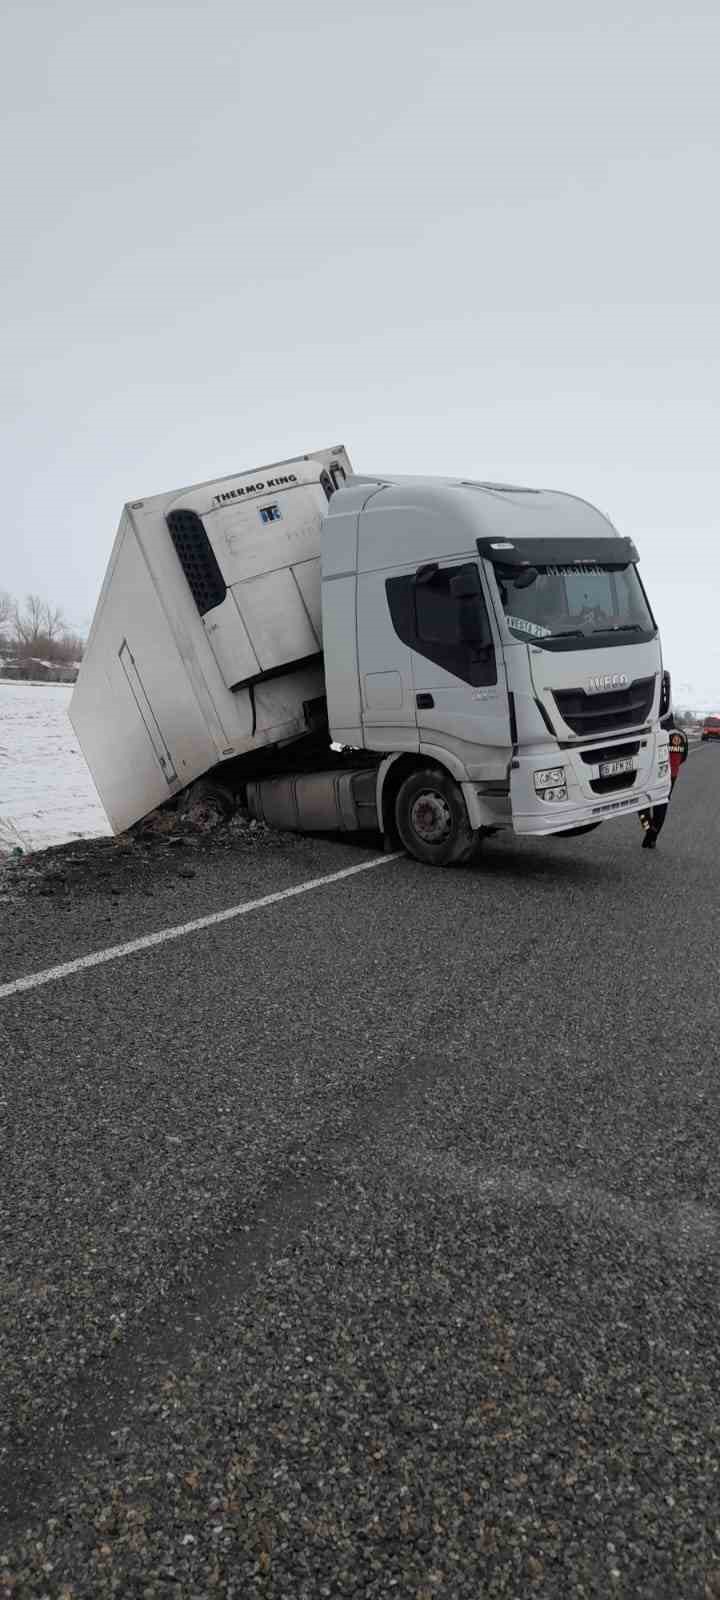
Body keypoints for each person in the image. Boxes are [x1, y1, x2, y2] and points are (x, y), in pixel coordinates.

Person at [638, 717, 688, 849]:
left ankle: (649, 831)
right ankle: (653, 837)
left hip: (652, 774)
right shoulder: (681, 734)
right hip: (672, 775)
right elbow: (684, 757)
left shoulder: (657, 732)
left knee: (642, 806)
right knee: (662, 804)